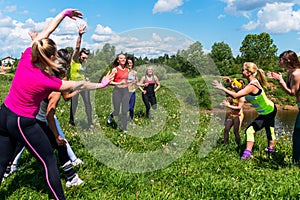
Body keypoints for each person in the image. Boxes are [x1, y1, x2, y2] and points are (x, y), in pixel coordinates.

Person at [0, 9, 113, 200]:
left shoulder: (27, 57)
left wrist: (63, 14)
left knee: (1, 161)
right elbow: (81, 84)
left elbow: (47, 32)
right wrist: (101, 84)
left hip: (3, 114)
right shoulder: (48, 81)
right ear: (51, 58)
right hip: (22, 122)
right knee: (49, 161)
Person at [213, 62, 277, 160]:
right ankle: (270, 150)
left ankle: (247, 154)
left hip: (268, 112)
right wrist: (230, 84)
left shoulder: (253, 85)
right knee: (269, 129)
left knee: (250, 131)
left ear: (249, 72)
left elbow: (236, 95)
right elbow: (240, 92)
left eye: (243, 70)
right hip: (269, 110)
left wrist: (222, 88)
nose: (241, 71)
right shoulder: (251, 84)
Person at [267, 50, 300, 163]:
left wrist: (280, 81)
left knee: (297, 134)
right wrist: (279, 78)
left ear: (288, 60)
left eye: (281, 59)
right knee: (297, 134)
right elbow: (287, 87)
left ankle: (296, 161)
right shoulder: (290, 72)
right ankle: (296, 161)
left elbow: (292, 92)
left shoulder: (296, 74)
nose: (279, 61)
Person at [68, 24, 93, 128]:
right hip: (74, 85)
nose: (84, 59)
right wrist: (80, 35)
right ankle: (72, 121)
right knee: (74, 104)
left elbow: (85, 74)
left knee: (88, 103)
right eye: (83, 57)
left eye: (86, 58)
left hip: (83, 85)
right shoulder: (74, 60)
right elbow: (77, 47)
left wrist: (87, 78)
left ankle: (90, 122)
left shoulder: (85, 65)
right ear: (79, 56)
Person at [107, 53, 130, 133]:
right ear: (118, 60)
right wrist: (118, 83)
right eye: (121, 58)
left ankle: (124, 128)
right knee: (116, 110)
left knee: (124, 110)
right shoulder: (115, 69)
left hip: (126, 91)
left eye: (124, 58)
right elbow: (109, 82)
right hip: (117, 91)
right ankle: (111, 115)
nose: (123, 60)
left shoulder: (128, 70)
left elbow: (129, 80)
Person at [221, 78, 245, 148]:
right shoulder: (234, 95)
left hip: (238, 115)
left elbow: (239, 107)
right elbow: (231, 102)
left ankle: (239, 146)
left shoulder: (242, 96)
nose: (234, 86)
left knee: (236, 132)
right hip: (231, 114)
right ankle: (225, 144)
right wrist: (227, 103)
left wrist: (228, 105)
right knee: (226, 129)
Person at [127, 56, 138, 121]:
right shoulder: (124, 72)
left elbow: (137, 82)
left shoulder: (135, 73)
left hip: (132, 92)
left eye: (131, 63)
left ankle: (130, 120)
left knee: (131, 108)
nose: (129, 64)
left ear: (133, 64)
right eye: (128, 63)